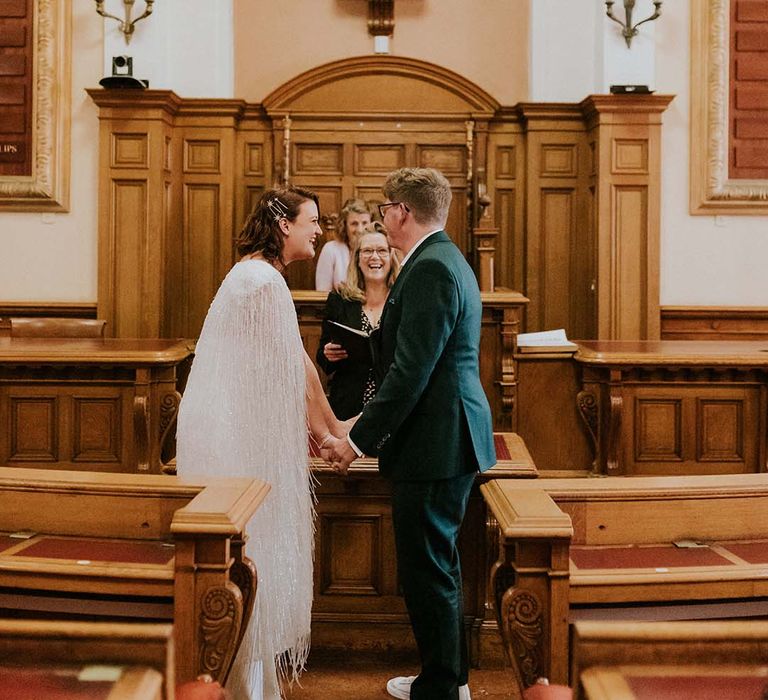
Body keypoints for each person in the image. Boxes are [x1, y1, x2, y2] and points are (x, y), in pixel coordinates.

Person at [327, 167, 495, 700]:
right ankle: (447, 678)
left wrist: (354, 443)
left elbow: (410, 371)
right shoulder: (441, 259)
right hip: (441, 436)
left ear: (402, 211)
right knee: (435, 565)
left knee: (429, 570)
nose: (382, 218)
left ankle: (444, 687)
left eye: (385, 209)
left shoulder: (430, 269)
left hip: (437, 440)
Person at [176, 187, 348, 700]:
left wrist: (332, 427)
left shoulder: (254, 274)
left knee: (250, 544)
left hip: (227, 424)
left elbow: (296, 361)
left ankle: (250, 678)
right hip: (234, 433)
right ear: (282, 224)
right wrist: (327, 433)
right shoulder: (261, 281)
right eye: (311, 221)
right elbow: (290, 373)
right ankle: (238, 678)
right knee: (252, 541)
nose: (319, 230)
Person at [316, 221, 400, 419]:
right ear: (357, 259)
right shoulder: (340, 299)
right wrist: (328, 354)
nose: (374, 257)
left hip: (391, 405)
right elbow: (322, 357)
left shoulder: (402, 298)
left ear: (391, 256)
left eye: (381, 250)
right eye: (367, 251)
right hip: (348, 403)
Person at [314, 197, 372, 291]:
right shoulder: (331, 249)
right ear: (344, 225)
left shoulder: (378, 250)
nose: (360, 230)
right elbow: (322, 292)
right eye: (354, 224)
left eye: (365, 223)